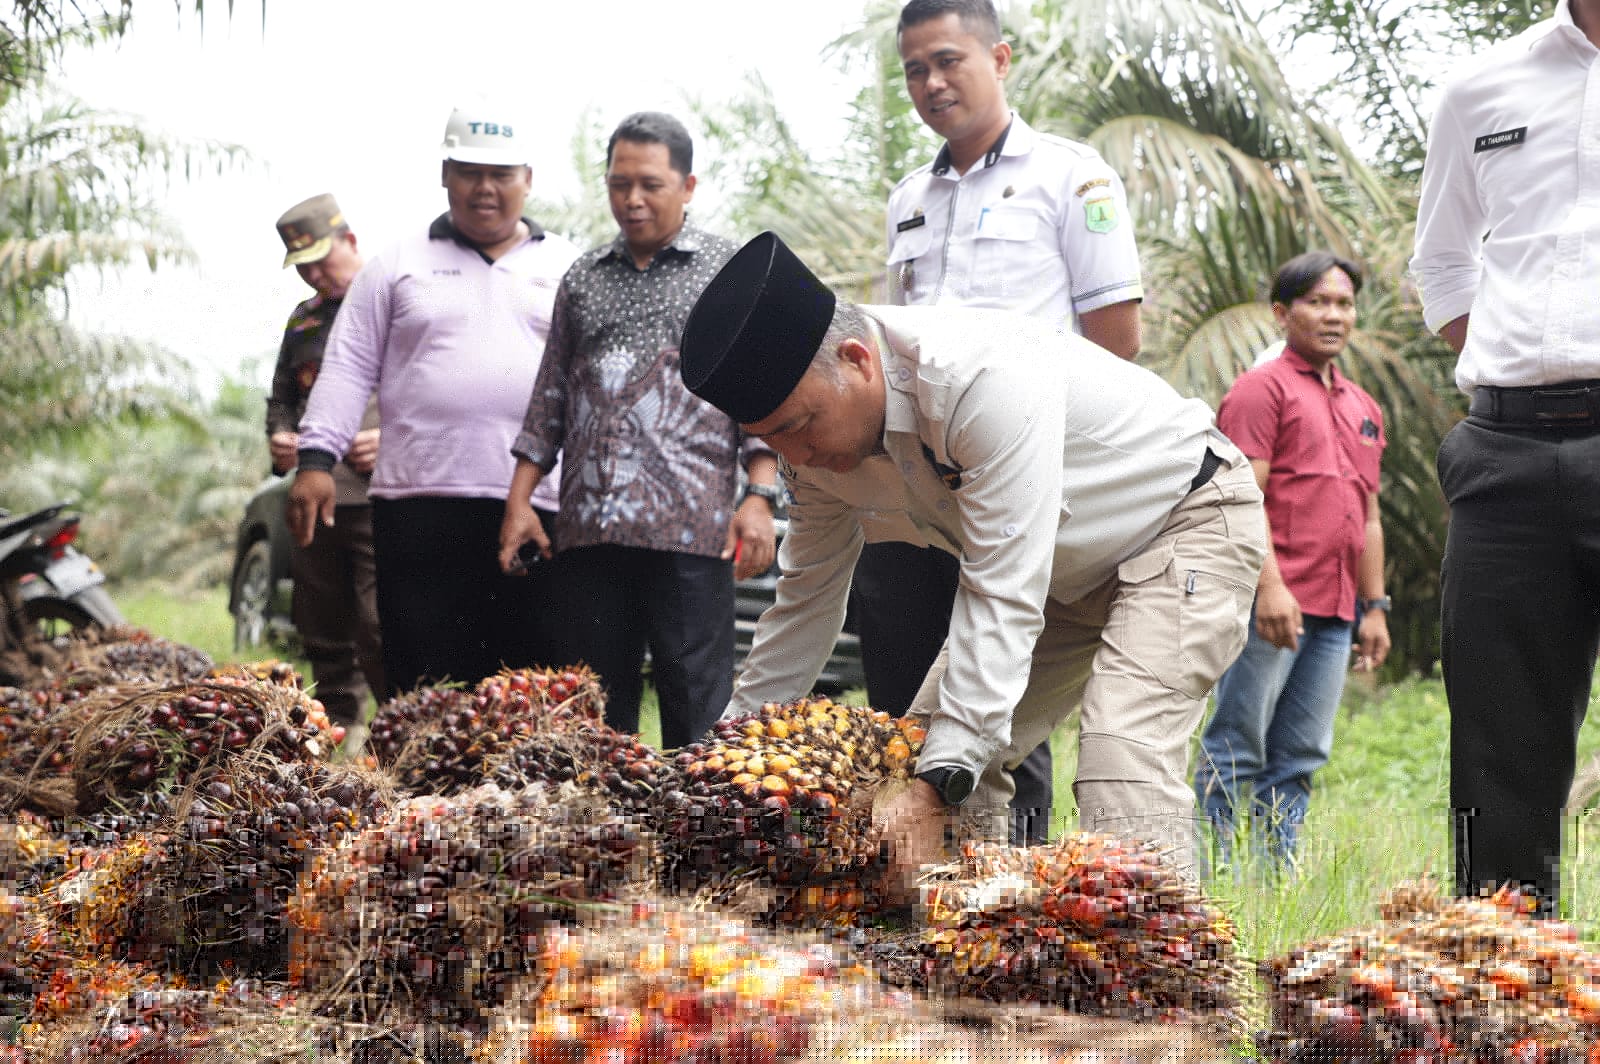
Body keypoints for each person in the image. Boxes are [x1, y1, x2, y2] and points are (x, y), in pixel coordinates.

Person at [678, 232, 1266, 883]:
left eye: (798, 425)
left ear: (857, 360)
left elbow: (1002, 592)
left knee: (1118, 755)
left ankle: (1159, 945)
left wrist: (940, 783)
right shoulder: (810, 452)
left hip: (1182, 521)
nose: (797, 456)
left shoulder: (975, 380)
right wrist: (726, 759)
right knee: (924, 760)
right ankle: (963, 933)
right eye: (770, 439)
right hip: (1052, 568)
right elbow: (803, 607)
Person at [854, 0, 1148, 844]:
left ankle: (1012, 891)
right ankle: (909, 883)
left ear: (1000, 57)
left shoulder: (1070, 177)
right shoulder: (909, 199)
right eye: (915, 69)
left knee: (1004, 698)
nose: (932, 83)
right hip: (920, 485)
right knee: (905, 697)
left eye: (949, 60)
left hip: (1016, 479)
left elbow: (1116, 341)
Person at [499, 112, 778, 748]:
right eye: (619, 184)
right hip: (589, 534)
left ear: (688, 186)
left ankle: (700, 814)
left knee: (698, 712)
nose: (632, 199)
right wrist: (520, 501)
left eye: (650, 184)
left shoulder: (726, 269)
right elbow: (550, 397)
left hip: (692, 533)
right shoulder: (583, 277)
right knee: (594, 718)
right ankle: (602, 815)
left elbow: (756, 394)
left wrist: (759, 497)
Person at [288, 105, 580, 694]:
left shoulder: (570, 267)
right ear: (446, 174)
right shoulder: (396, 264)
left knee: (528, 689)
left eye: (501, 174)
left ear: (528, 179)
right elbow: (347, 366)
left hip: (537, 504)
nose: (485, 188)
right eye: (470, 172)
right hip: (418, 505)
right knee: (422, 685)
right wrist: (315, 461)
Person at [1411, 0, 1600, 913]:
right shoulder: (1480, 88)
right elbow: (1443, 263)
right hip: (1505, 453)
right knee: (1499, 754)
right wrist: (1510, 365)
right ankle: (1510, 975)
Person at [1192, 251, 1391, 870]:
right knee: (1237, 747)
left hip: (1335, 612)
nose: (1334, 315)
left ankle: (1274, 883)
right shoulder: (1261, 389)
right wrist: (1269, 589)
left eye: (1344, 304)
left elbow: (1368, 515)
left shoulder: (1363, 406)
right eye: (1317, 302)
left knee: (1300, 757)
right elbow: (1239, 497)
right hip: (1270, 605)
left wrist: (1375, 607)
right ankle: (1209, 885)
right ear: (1282, 313)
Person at [266, 193, 383, 745]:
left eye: (320, 260)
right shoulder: (304, 319)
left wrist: (394, 440)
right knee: (322, 621)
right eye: (302, 266)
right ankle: (340, 730)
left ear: (350, 240)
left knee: (380, 621)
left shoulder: (393, 298)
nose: (313, 274)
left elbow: (438, 387)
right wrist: (280, 437)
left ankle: (402, 728)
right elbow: (282, 398)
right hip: (314, 495)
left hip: (380, 493)